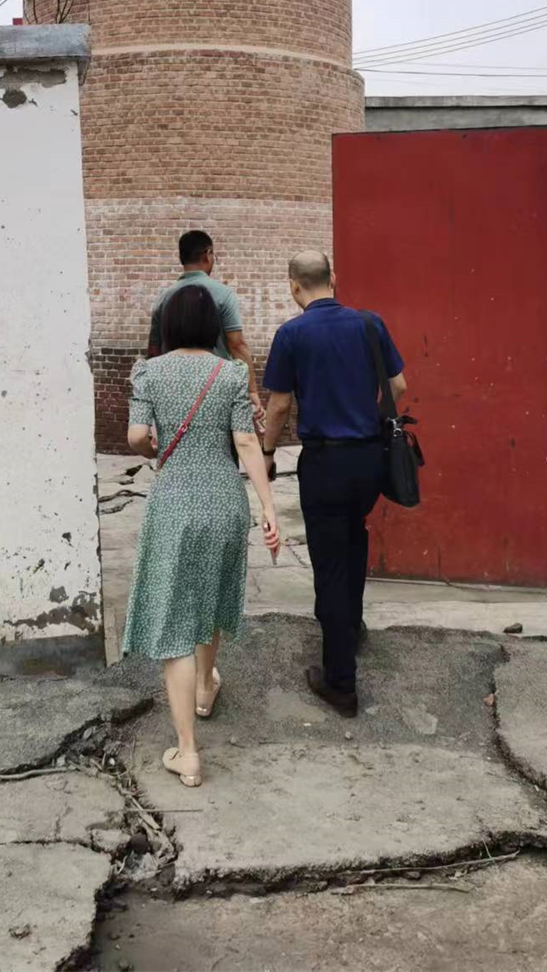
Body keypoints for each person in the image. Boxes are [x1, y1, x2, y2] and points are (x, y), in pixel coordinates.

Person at [124, 283, 281, 787]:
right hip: (223, 502)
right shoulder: (230, 372)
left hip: (174, 504)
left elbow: (135, 436)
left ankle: (187, 752)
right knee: (210, 598)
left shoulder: (149, 372)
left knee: (175, 622)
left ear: (169, 325)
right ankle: (206, 688)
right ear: (213, 325)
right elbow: (246, 442)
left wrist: (154, 446)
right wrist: (268, 507)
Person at [260, 251, 406, 718]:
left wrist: (267, 452)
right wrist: (368, 414)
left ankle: (340, 682)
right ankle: (352, 627)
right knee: (354, 537)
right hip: (368, 458)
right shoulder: (369, 324)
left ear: (293, 286)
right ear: (334, 279)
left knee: (329, 562)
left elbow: (279, 405)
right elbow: (399, 387)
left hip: (324, 462)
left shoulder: (292, 334)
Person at [147, 230, 264, 426]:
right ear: (208, 254)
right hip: (218, 387)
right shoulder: (224, 294)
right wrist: (251, 391)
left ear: (181, 257)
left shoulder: (164, 297)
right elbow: (237, 345)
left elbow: (153, 350)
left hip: (172, 391)